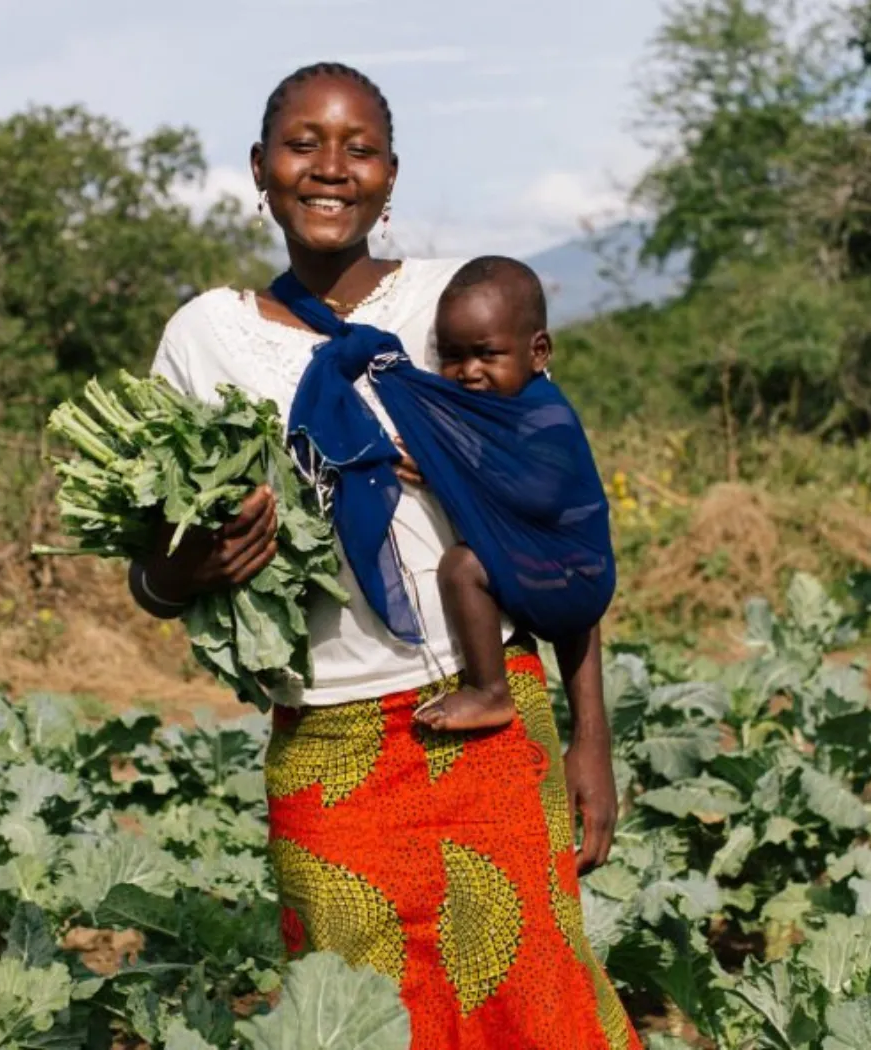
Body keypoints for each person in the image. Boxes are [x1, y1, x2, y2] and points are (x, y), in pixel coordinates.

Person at [130, 62, 640, 1050]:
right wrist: (192, 570)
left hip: (490, 724)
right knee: (359, 1021)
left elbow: (555, 522)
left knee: (535, 1007)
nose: (330, 168)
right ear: (260, 169)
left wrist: (591, 735)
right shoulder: (205, 338)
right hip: (326, 745)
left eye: (358, 148)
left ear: (391, 177)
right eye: (303, 144)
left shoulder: (460, 303)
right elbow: (150, 574)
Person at [410, 256, 612, 734]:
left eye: (486, 354)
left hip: (571, 576)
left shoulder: (546, 417)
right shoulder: (493, 411)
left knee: (463, 568)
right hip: (546, 566)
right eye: (452, 356)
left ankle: (490, 692)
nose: (468, 371)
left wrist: (442, 470)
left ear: (538, 352)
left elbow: (533, 493)